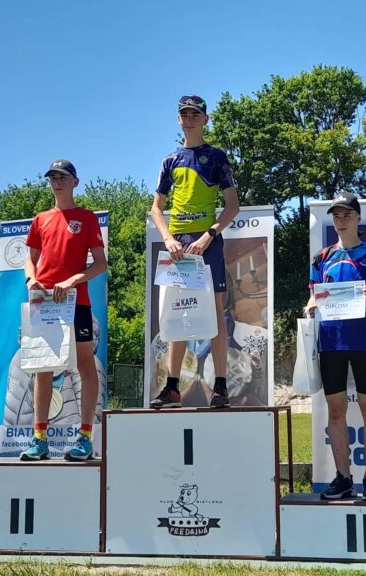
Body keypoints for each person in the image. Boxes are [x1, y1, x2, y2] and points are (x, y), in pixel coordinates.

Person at [149, 95, 240, 409]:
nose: (189, 120)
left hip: (207, 243)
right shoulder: (170, 160)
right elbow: (156, 208)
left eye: (195, 115)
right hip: (177, 246)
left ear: (205, 119)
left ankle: (220, 387)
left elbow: (232, 205)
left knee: (215, 313)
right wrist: (168, 239)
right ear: (178, 120)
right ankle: (172, 387)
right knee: (178, 313)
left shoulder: (216, 157)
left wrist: (209, 235)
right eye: (184, 115)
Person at [304, 191, 366, 501]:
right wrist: (310, 307)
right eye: (336, 215)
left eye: (347, 215)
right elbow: (313, 297)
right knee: (335, 411)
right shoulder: (321, 258)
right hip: (330, 344)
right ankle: (343, 478)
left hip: (362, 343)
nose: (341, 220)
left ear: (358, 218)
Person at [19, 159, 108, 461]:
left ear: (75, 182)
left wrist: (73, 280)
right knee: (43, 368)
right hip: (44, 302)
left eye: (62, 177)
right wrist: (31, 279)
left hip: (76, 301)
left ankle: (85, 437)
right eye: (52, 178)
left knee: (85, 366)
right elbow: (30, 260)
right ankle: (39, 439)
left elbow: (100, 264)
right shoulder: (40, 219)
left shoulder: (87, 218)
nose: (56, 182)